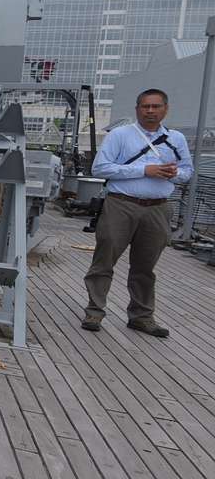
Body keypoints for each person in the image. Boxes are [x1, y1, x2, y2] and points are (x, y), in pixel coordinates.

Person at [82, 88, 192, 336]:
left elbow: (187, 171)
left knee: (145, 266)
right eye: (145, 106)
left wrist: (176, 174)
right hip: (121, 204)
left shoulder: (176, 139)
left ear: (165, 109)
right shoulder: (120, 135)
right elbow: (100, 168)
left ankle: (142, 316)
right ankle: (94, 311)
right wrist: (145, 171)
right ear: (137, 109)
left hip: (157, 208)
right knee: (105, 259)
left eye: (156, 106)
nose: (150, 111)